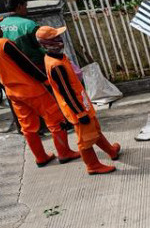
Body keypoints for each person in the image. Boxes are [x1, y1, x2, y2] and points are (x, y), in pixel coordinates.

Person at [0, 15, 80, 167]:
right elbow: (26, 64)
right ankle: (64, 153)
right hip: (32, 89)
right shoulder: (3, 43)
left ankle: (41, 158)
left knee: (28, 127)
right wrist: (45, 80)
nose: (0, 28)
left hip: (13, 93)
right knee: (56, 120)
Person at [38, 26, 120, 175]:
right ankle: (92, 165)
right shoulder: (56, 65)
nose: (60, 40)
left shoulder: (57, 57)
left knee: (94, 130)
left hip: (82, 103)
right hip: (77, 108)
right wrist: (80, 113)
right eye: (56, 38)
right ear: (48, 43)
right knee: (85, 140)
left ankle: (111, 151)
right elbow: (67, 92)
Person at [0, 0, 45, 69]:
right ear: (19, 6)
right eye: (25, 6)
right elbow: (43, 46)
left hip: (14, 69)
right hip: (36, 67)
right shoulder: (28, 24)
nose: (27, 9)